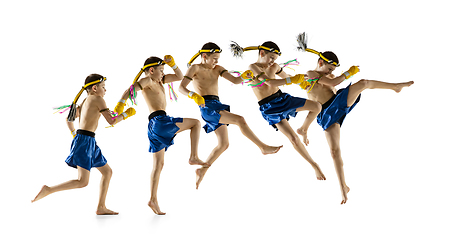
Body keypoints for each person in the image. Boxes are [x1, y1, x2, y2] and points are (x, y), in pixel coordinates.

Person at [296, 34, 414, 204]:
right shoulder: (311, 73)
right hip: (325, 114)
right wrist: (347, 73)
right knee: (334, 152)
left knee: (363, 83)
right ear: (320, 63)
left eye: (332, 70)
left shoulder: (328, 76)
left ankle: (395, 87)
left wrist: (341, 76)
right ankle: (343, 187)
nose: (331, 73)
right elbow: (333, 81)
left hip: (336, 103)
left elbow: (333, 82)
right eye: (329, 68)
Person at [179, 42, 283, 189]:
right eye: (214, 58)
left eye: (218, 59)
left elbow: (235, 80)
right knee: (240, 120)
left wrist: (245, 76)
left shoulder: (218, 69)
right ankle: (263, 147)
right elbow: (181, 88)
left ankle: (202, 170)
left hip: (217, 104)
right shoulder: (195, 68)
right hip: (206, 106)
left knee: (223, 144)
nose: (216, 61)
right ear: (204, 56)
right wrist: (193, 95)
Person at [32, 74, 135, 215]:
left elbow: (69, 119)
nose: (105, 90)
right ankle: (49, 189)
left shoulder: (86, 99)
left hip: (88, 140)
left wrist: (75, 135)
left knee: (107, 172)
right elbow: (111, 121)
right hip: (85, 141)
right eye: (103, 87)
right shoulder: (99, 99)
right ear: (94, 88)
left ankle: (101, 207)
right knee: (83, 181)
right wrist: (125, 115)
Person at [115, 55, 205, 215]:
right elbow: (130, 89)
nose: (163, 73)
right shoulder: (148, 81)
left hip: (153, 126)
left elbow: (179, 76)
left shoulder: (160, 81)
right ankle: (193, 156)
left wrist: (173, 64)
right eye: (161, 70)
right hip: (160, 120)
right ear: (151, 70)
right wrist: (121, 104)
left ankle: (153, 199)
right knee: (196, 123)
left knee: (158, 165)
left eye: (164, 70)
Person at [231, 40, 326, 181]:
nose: (272, 62)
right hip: (269, 107)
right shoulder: (253, 67)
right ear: (262, 53)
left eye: (275, 59)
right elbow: (268, 82)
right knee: (293, 138)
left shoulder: (275, 66)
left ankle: (304, 129)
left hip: (282, 98)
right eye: (271, 58)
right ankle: (314, 165)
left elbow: (286, 77)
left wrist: (303, 81)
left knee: (317, 106)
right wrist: (292, 80)